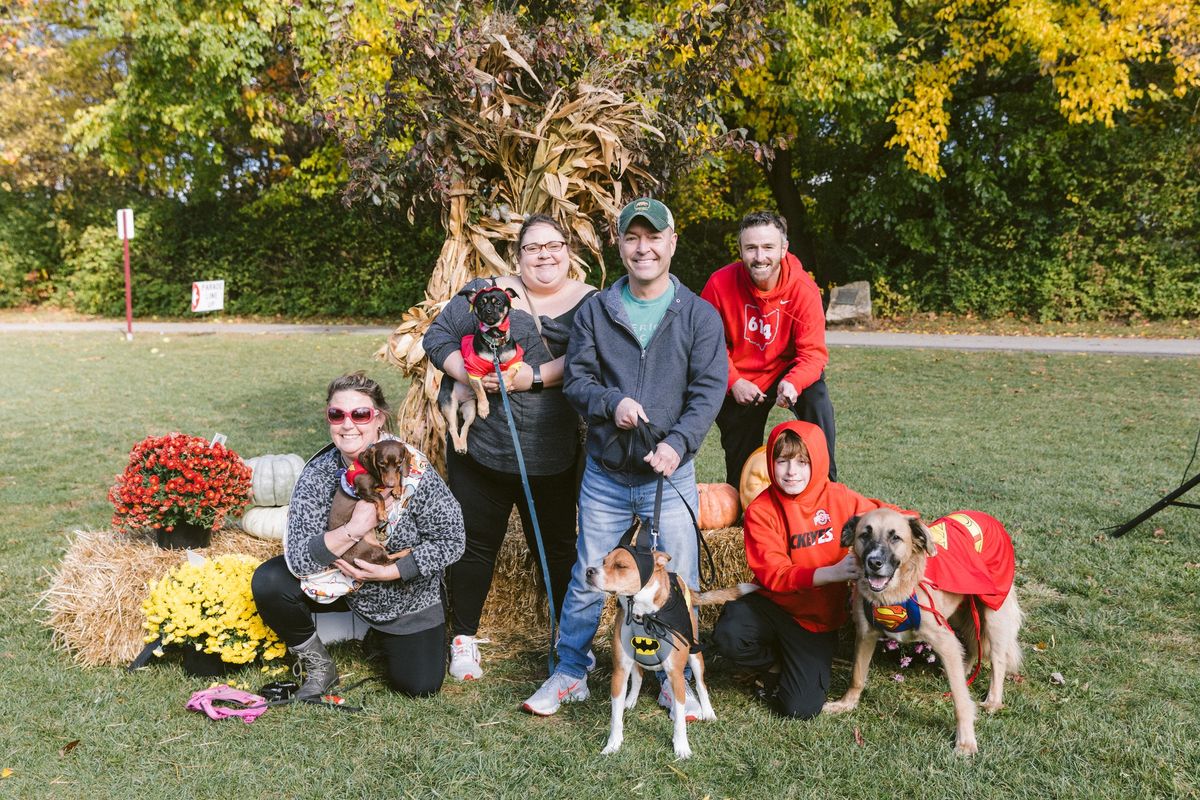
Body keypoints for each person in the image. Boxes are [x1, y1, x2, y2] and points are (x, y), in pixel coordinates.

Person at [521, 197, 727, 717]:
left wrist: (677, 444)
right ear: (620, 245)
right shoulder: (597, 309)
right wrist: (612, 404)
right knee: (590, 575)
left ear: (671, 242)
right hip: (608, 473)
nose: (644, 248)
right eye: (633, 238)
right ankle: (570, 671)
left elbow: (708, 390)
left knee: (678, 580)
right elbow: (579, 380)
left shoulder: (698, 315)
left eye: (653, 237)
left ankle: (670, 674)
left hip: (669, 473)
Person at [423, 214, 597, 681]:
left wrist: (535, 377)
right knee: (475, 545)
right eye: (533, 247)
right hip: (482, 450)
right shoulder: (485, 292)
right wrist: (469, 374)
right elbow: (435, 337)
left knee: (559, 550)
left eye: (554, 245)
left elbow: (592, 358)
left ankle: (570, 641)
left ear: (568, 251)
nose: (544, 254)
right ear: (518, 256)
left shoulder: (592, 303)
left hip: (552, 451)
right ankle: (464, 638)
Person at [250, 372, 465, 699]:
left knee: (419, 686)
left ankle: (381, 638)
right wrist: (354, 529)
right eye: (337, 414)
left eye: (360, 414)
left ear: (378, 418)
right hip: (335, 584)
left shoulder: (413, 468)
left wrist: (390, 572)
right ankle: (320, 667)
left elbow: (453, 539)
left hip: (402, 595)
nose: (347, 424)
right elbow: (298, 557)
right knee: (269, 581)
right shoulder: (318, 473)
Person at [712, 420, 902, 718]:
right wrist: (833, 573)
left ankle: (794, 662)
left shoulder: (840, 498)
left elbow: (885, 516)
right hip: (772, 607)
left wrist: (923, 529)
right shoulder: (762, 510)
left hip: (815, 622)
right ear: (770, 463)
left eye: (802, 462)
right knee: (730, 634)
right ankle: (772, 664)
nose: (791, 472)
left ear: (819, 461)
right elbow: (774, 573)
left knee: (801, 708)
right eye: (782, 461)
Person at [700, 211, 838, 486]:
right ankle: (744, 505)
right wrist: (733, 382)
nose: (759, 256)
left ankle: (827, 486)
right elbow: (706, 345)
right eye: (751, 248)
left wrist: (794, 383)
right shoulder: (719, 284)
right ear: (740, 250)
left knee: (816, 399)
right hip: (741, 375)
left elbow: (813, 354)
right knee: (741, 467)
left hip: (786, 369)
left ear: (784, 249)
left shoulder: (803, 289)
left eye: (768, 247)